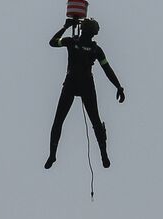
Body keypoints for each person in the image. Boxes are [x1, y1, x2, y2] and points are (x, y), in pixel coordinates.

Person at [46, 17, 124, 169]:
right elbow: (53, 42)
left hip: (81, 85)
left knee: (93, 121)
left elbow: (107, 69)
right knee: (60, 120)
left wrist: (118, 86)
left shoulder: (87, 47)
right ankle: (53, 154)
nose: (90, 36)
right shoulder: (74, 43)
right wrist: (65, 27)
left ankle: (103, 154)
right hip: (75, 84)